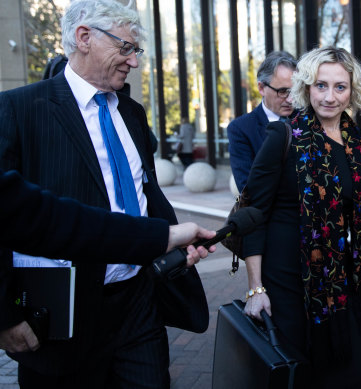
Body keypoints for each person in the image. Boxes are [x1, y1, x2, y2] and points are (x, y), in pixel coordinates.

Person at [0, 1, 209, 387]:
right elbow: (6, 216)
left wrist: (170, 241)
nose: (133, 62)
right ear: (84, 38)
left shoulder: (132, 111)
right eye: (125, 48)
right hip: (65, 315)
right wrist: (6, 316)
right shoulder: (20, 109)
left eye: (136, 51)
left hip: (139, 300)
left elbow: (146, 193)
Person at [242, 46, 361, 388]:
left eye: (340, 87)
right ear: (306, 87)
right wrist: (255, 288)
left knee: (355, 375)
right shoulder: (283, 136)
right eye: (320, 85)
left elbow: (358, 221)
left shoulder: (359, 142)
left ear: (353, 91)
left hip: (343, 281)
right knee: (304, 376)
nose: (330, 96)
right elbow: (253, 213)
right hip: (290, 281)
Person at [0, 169, 215, 354]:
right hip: (74, 319)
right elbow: (38, 217)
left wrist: (164, 237)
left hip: (140, 302)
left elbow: (52, 217)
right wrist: (5, 315)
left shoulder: (132, 120)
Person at [227, 50, 297, 192]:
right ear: (261, 88)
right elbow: (247, 188)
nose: (291, 100)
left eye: (295, 91)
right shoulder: (241, 129)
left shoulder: (307, 119)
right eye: (283, 91)